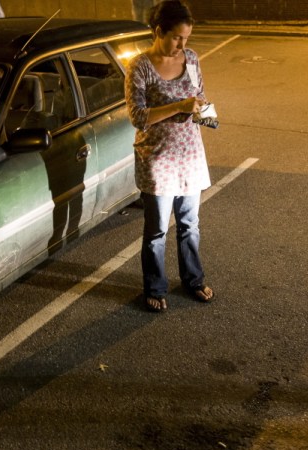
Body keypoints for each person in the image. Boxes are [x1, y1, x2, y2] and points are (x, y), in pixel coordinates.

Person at [124, 0, 214, 312]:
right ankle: (155, 286)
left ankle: (193, 279)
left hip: (189, 155)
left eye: (186, 38)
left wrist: (208, 113)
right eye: (177, 37)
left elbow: (199, 95)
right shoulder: (139, 67)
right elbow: (138, 116)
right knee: (157, 230)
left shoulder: (190, 58)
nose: (182, 45)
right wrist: (179, 106)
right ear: (159, 31)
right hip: (158, 160)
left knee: (190, 224)